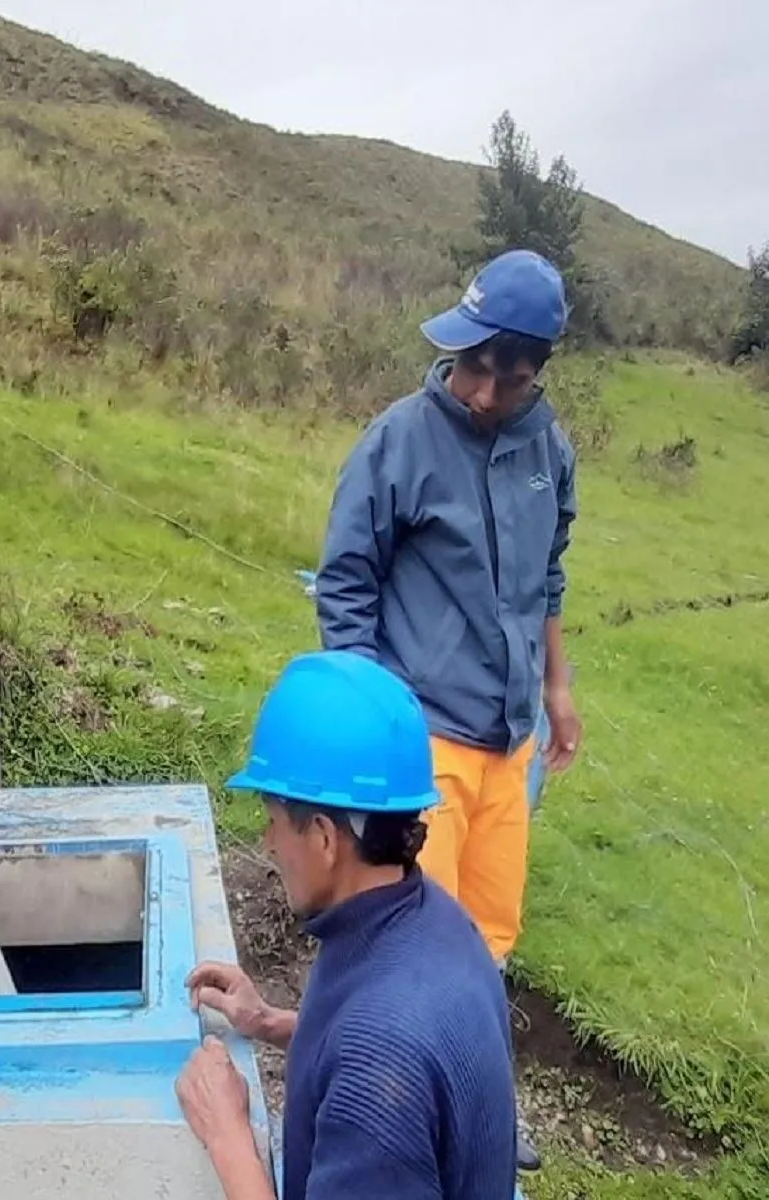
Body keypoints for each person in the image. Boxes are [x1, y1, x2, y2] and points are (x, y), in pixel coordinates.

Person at [314, 249, 582, 1170]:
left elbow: (548, 578)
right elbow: (346, 581)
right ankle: (392, 1115)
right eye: (464, 362)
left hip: (513, 742)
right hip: (421, 735)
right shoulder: (398, 440)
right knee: (411, 943)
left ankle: (481, 1107)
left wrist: (557, 689)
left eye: (490, 371)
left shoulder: (550, 451)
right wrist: (362, 723)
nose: (470, 384)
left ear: (530, 371)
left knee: (489, 937)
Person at [175, 651, 517, 1200]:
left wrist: (227, 1134)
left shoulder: (378, 1068)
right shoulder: (438, 921)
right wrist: (269, 1021)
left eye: (272, 822)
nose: (267, 844)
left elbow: (381, 1067)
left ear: (325, 839)